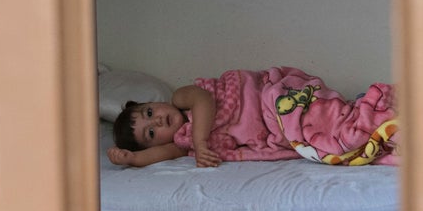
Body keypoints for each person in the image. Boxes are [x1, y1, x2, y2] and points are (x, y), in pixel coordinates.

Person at [108, 66, 399, 168]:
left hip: (270, 100)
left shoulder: (181, 99)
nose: (157, 121)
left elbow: (203, 99)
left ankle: (373, 112)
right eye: (150, 133)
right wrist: (132, 159)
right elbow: (161, 154)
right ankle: (369, 118)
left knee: (321, 118)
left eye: (149, 112)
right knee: (331, 140)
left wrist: (201, 139)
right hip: (277, 131)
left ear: (152, 103)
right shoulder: (183, 146)